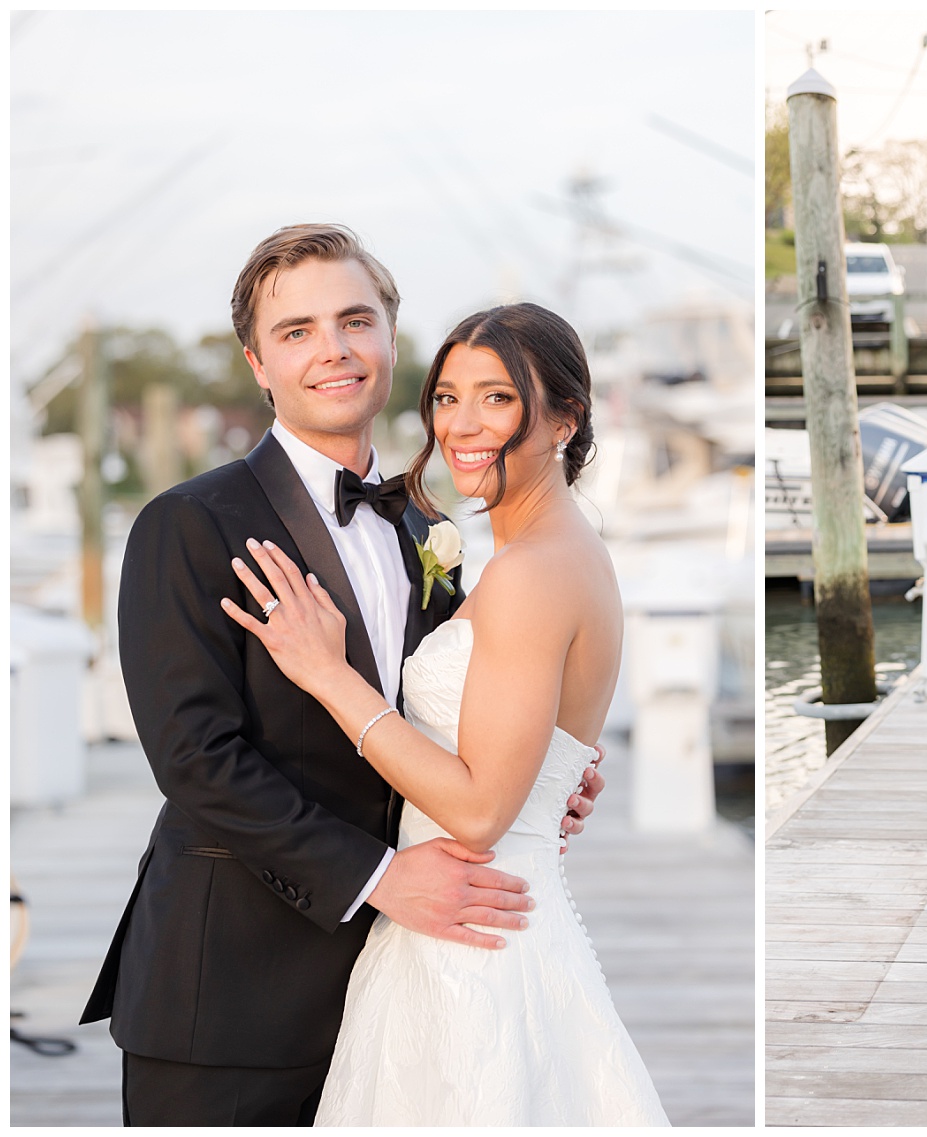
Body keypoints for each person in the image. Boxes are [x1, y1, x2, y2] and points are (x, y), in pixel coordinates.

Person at [81, 224, 605, 1126]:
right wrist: (378, 876)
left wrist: (547, 764)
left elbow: (446, 708)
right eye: (297, 331)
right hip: (231, 996)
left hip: (411, 991)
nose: (334, 350)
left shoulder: (423, 526)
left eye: (355, 320)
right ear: (258, 362)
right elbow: (195, 758)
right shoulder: (186, 524)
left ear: (390, 337)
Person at [221, 301, 668, 1125]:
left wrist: (329, 674)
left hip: (474, 937)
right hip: (479, 923)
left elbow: (477, 810)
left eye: (498, 398)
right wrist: (555, 778)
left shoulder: (532, 570)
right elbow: (531, 753)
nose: (463, 423)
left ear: (566, 417)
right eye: (448, 396)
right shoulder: (561, 551)